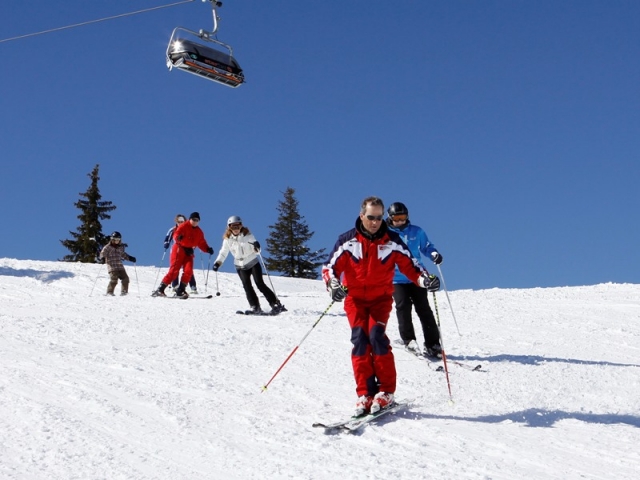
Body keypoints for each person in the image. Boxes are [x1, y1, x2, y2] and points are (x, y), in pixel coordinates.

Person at [322, 196, 440, 416]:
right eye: (370, 217)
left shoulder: (392, 241)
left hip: (380, 299)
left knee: (376, 336)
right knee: (359, 340)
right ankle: (365, 393)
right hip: (355, 299)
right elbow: (330, 268)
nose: (375, 222)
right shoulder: (347, 241)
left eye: (378, 218)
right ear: (361, 216)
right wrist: (333, 286)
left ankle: (386, 391)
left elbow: (411, 266)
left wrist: (425, 280)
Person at [386, 202, 444, 358]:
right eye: (396, 218)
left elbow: (426, 246)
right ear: (390, 218)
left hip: (417, 276)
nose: (399, 221)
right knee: (403, 306)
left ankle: (433, 344)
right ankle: (409, 340)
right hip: (396, 278)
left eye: (402, 217)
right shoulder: (385, 233)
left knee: (423, 308)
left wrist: (433, 254)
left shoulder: (416, 231)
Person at [212, 216, 285, 314]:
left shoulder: (248, 236)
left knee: (259, 283)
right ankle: (255, 307)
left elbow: (256, 250)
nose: (236, 229)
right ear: (229, 227)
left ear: (241, 226)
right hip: (240, 265)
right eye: (233, 227)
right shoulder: (227, 239)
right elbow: (223, 252)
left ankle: (276, 304)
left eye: (238, 227)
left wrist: (257, 247)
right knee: (247, 286)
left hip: (252, 262)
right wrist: (218, 262)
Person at [152, 212, 214, 298]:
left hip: (189, 252)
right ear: (190, 219)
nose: (195, 222)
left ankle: (180, 290)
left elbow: (201, 242)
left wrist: (207, 249)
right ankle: (160, 289)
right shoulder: (184, 226)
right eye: (193, 219)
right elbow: (176, 234)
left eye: (197, 220)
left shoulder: (199, 232)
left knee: (188, 270)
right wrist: (178, 238)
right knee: (174, 271)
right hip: (179, 249)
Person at [163, 213, 198, 294]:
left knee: (188, 269)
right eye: (179, 221)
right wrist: (166, 244)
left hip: (187, 252)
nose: (180, 223)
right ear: (176, 222)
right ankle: (175, 286)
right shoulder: (173, 230)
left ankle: (193, 287)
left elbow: (194, 239)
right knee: (175, 269)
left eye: (182, 221)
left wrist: (193, 247)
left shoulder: (189, 229)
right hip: (175, 253)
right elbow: (167, 238)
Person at [99, 231, 136, 296]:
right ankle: (109, 292)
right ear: (112, 239)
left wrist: (130, 258)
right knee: (114, 280)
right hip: (112, 267)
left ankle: (124, 292)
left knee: (126, 279)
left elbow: (123, 254)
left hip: (120, 266)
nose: (116, 241)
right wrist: (102, 258)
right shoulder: (108, 247)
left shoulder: (120, 247)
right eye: (115, 240)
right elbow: (102, 253)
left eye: (118, 240)